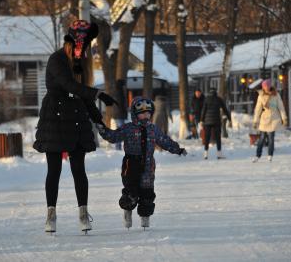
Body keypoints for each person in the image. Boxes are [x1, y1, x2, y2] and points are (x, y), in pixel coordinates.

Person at [33, 20, 117, 234]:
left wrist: (99, 121)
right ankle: (51, 214)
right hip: (55, 117)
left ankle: (83, 213)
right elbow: (69, 85)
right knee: (54, 169)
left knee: (79, 169)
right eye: (81, 42)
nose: (83, 47)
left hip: (77, 118)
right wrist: (97, 93)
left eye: (86, 43)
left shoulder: (82, 62)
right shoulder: (57, 59)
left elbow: (81, 93)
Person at [96, 97, 187, 229]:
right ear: (135, 114)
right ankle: (128, 210)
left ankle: (145, 218)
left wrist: (177, 149)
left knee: (147, 194)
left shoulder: (153, 129)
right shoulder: (128, 128)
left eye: (148, 113)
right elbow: (114, 137)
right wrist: (103, 129)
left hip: (148, 167)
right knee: (131, 193)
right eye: (142, 113)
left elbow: (164, 141)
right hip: (130, 165)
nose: (146, 115)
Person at [252, 79, 287, 162]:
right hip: (264, 119)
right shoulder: (261, 96)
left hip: (274, 118)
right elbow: (258, 109)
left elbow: (281, 107)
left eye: (267, 87)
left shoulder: (276, 95)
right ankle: (257, 155)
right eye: (265, 87)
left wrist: (284, 118)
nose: (266, 88)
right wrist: (255, 121)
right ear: (263, 88)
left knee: (271, 138)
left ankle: (270, 154)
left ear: (270, 86)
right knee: (262, 138)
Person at [200, 88, 231, 160]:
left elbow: (203, 110)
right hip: (216, 121)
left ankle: (205, 154)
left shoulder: (206, 99)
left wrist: (201, 120)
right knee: (218, 138)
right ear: (215, 92)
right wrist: (229, 118)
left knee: (207, 138)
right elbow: (225, 109)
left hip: (207, 122)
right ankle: (219, 154)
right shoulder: (219, 99)